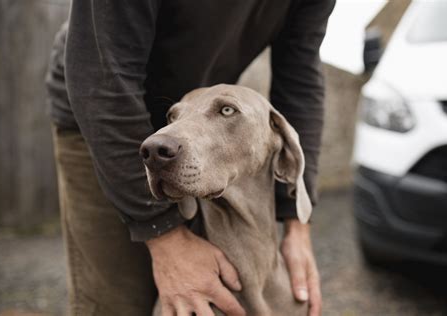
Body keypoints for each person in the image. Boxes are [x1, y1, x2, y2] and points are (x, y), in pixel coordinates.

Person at [46, 1, 335, 315]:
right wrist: (165, 238)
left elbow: (299, 72)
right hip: (101, 112)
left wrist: (297, 222)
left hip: (192, 114)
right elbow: (103, 79)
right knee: (115, 302)